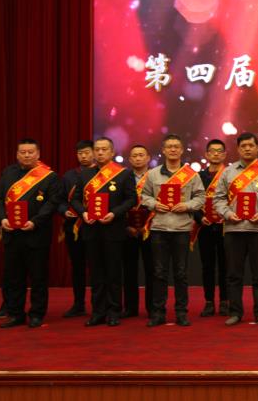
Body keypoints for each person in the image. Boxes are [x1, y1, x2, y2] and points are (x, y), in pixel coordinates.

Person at [214, 132, 258, 326]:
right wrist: (228, 214)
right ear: (238, 149)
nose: (247, 149)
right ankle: (235, 313)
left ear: (257, 148)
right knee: (233, 274)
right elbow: (218, 199)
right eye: (243, 146)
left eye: (250, 145)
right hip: (233, 229)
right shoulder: (228, 172)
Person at [0, 138, 61, 328]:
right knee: (14, 277)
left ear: (38, 154)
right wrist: (2, 219)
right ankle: (16, 314)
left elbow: (52, 203)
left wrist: (35, 222)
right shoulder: (8, 173)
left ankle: (37, 314)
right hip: (12, 234)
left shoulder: (49, 177)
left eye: (31, 152)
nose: (27, 155)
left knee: (38, 277)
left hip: (36, 235)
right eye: (23, 152)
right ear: (17, 154)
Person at [70, 137, 137, 327]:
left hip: (113, 229)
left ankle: (114, 311)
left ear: (112, 152)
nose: (100, 152)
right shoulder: (84, 175)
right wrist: (83, 213)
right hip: (91, 229)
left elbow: (131, 199)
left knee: (114, 272)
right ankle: (98, 312)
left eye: (104, 149)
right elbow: (75, 199)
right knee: (96, 273)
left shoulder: (124, 174)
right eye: (97, 149)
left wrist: (114, 213)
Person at [140, 134, 205, 327]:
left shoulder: (191, 175)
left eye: (176, 146)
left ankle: (181, 313)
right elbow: (144, 196)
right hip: (159, 228)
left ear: (182, 150)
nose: (173, 149)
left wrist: (187, 205)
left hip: (181, 229)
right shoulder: (153, 174)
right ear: (163, 150)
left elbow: (200, 197)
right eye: (169, 146)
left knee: (181, 273)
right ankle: (158, 313)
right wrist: (154, 204)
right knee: (159, 273)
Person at [57, 140, 95, 318]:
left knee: (97, 267)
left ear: (94, 153)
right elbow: (60, 199)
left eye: (87, 152)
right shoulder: (69, 176)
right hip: (74, 228)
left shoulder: (102, 174)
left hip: (95, 226)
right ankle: (78, 304)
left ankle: (99, 305)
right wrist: (64, 210)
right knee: (77, 266)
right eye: (80, 153)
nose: (84, 156)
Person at [196, 139, 229, 317]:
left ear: (224, 154)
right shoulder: (198, 176)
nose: (216, 154)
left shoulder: (230, 174)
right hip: (205, 227)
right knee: (207, 266)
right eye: (212, 151)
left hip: (226, 227)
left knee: (226, 265)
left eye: (219, 151)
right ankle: (208, 301)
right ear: (206, 154)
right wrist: (199, 218)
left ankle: (225, 301)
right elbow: (192, 199)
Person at [123, 144, 155, 318]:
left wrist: (147, 226)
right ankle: (130, 307)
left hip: (150, 229)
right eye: (134, 156)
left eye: (141, 155)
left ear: (148, 158)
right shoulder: (122, 177)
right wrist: (126, 226)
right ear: (130, 159)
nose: (138, 158)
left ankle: (152, 307)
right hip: (128, 230)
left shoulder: (155, 176)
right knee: (129, 270)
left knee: (152, 269)